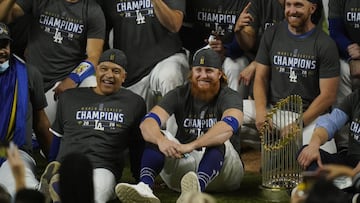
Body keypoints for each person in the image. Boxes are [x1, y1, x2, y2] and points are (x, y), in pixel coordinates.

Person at [115, 48, 245, 203]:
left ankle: (197, 189)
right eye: (198, 70)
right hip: (186, 174)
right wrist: (161, 141)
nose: (203, 75)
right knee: (158, 134)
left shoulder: (230, 96)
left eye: (209, 70)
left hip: (225, 173)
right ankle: (145, 187)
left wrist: (192, 145)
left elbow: (228, 126)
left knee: (218, 139)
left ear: (219, 74)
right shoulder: (180, 93)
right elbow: (147, 124)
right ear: (191, 72)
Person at [46, 49, 146, 203]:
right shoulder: (70, 97)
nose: (109, 75)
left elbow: (136, 145)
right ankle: (49, 185)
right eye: (104, 69)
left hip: (104, 167)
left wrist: (140, 178)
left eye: (116, 71)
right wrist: (52, 166)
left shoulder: (135, 103)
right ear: (96, 71)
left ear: (124, 77)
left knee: (94, 197)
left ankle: (57, 192)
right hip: (68, 164)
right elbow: (57, 138)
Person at [245, 0, 340, 153]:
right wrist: (261, 111)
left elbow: (328, 96)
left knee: (322, 159)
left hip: (308, 117)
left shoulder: (325, 43)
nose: (291, 10)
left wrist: (298, 124)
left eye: (298, 5)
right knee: (233, 114)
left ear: (312, 9)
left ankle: (280, 153)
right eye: (288, 5)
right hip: (273, 111)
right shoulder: (272, 33)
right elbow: (260, 77)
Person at [0, 0, 106, 123]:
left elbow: (94, 56)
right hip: (30, 79)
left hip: (60, 83)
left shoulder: (92, 10)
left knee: (91, 83)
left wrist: (73, 78)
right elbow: (4, 17)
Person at [98, 0, 189, 110]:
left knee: (170, 74)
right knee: (134, 121)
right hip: (131, 71)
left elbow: (175, 25)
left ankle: (175, 127)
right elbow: (100, 34)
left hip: (166, 58)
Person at [0, 22, 52, 197]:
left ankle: (38, 193)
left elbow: (41, 122)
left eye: (4, 45)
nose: (2, 51)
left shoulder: (28, 73)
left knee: (20, 189)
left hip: (13, 151)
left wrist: (55, 160)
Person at [179, 0, 250, 95]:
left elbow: (248, 41)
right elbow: (185, 33)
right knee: (197, 65)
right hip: (200, 50)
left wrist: (226, 50)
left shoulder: (242, 2)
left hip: (233, 54)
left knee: (234, 67)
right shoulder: (193, 2)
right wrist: (205, 48)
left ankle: (235, 107)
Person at [297, 89, 360, 171]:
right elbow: (331, 123)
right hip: (351, 160)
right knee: (306, 154)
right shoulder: (355, 97)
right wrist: (313, 146)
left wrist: (350, 175)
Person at [328, 0, 360, 94]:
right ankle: (342, 108)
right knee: (340, 69)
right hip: (349, 55)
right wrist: (350, 53)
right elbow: (335, 32)